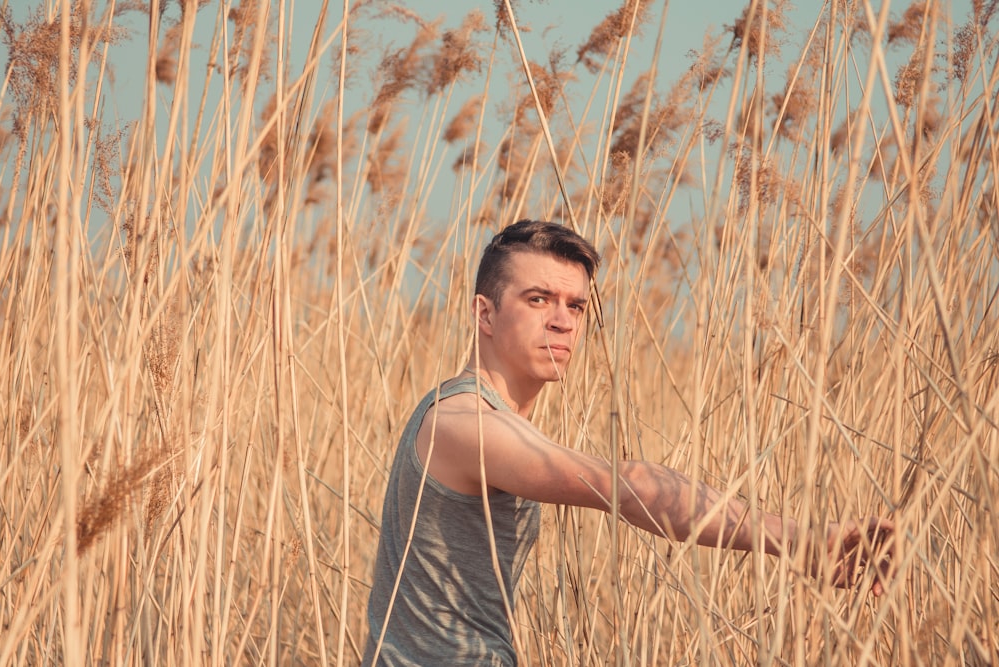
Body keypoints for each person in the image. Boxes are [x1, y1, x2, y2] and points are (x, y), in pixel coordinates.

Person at [362, 219, 893, 666]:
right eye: (538, 299)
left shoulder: (492, 420)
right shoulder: (463, 424)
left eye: (576, 306)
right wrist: (799, 539)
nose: (562, 321)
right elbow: (628, 485)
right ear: (485, 313)